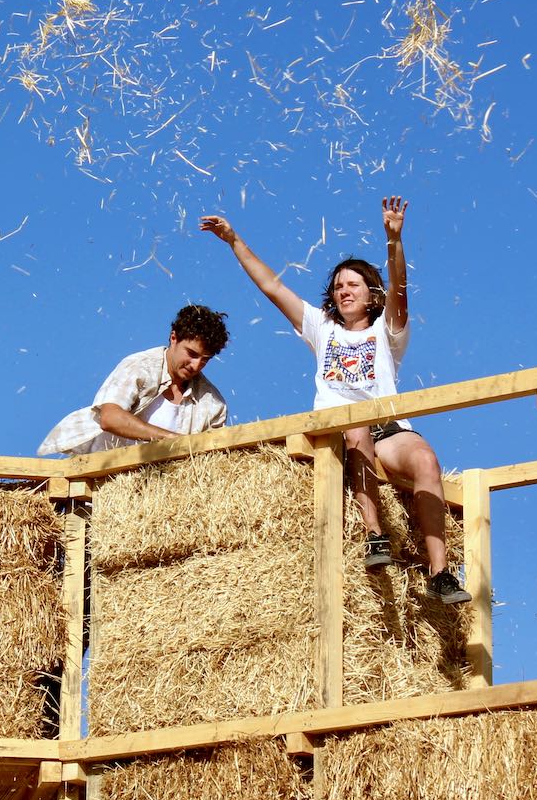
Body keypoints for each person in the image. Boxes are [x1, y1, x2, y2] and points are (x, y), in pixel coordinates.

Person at [200, 198, 470, 605]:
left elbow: (399, 288)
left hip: (388, 429)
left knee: (426, 460)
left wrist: (394, 241)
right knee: (354, 424)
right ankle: (374, 534)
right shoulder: (321, 327)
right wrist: (234, 240)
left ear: (372, 295)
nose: (344, 291)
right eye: (339, 286)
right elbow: (272, 286)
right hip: (342, 430)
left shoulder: (387, 332)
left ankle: (440, 573)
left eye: (353, 285)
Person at [38, 304, 230, 456]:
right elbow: (110, 418)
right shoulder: (140, 367)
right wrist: (173, 440)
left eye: (205, 360)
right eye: (192, 354)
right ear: (174, 338)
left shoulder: (213, 404)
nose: (196, 365)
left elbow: (214, 459)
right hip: (101, 478)